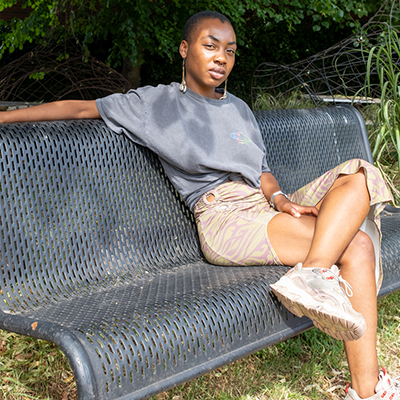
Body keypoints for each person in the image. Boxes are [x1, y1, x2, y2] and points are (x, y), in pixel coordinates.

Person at [0, 10, 398, 400]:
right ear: (185, 48)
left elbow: (261, 170)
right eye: (210, 46)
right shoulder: (153, 104)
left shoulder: (239, 108)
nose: (221, 57)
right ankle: (366, 390)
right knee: (357, 246)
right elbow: (79, 108)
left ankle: (311, 275)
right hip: (225, 218)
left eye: (230, 50)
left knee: (359, 175)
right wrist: (3, 116)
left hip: (264, 205)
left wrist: (278, 198)